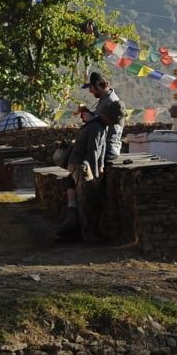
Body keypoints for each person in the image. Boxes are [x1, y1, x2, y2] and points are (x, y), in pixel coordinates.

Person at [58, 94, 123, 243]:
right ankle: (88, 235)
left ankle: (89, 232)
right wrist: (94, 176)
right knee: (86, 200)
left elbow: (102, 147)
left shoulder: (101, 125)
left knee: (90, 199)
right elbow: (92, 152)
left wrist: (100, 166)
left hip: (85, 164)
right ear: (110, 117)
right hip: (81, 165)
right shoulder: (95, 127)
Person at [83, 70, 126, 160]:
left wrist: (91, 119)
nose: (90, 91)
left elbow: (106, 125)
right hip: (104, 146)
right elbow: (100, 118)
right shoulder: (104, 99)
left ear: (98, 85)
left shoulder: (111, 102)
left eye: (91, 87)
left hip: (107, 148)